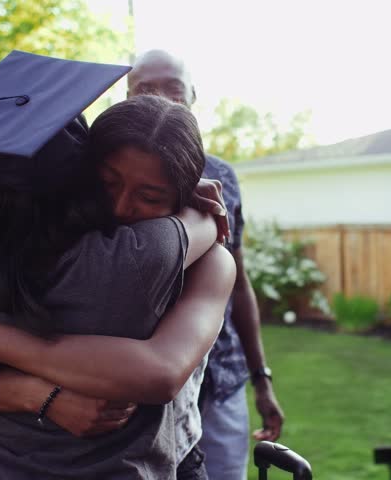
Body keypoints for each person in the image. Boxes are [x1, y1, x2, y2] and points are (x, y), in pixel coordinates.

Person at [0, 51, 235, 479]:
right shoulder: (144, 254)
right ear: (83, 174)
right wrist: (195, 205)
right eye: (109, 183)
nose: (123, 207)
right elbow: (160, 372)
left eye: (150, 195)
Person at [127, 49, 285, 479]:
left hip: (222, 383)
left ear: (194, 96)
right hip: (140, 388)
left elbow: (240, 283)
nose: (162, 99)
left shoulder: (224, 176)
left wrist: (262, 379)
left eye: (174, 89)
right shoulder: (109, 182)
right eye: (146, 89)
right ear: (124, 99)